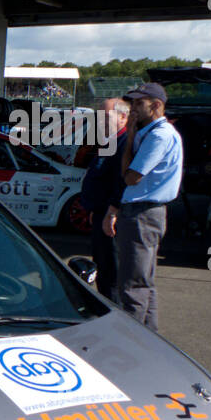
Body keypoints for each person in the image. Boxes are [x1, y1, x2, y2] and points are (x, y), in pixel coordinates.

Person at [104, 83, 183, 331]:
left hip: (142, 213)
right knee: (142, 282)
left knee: (133, 284)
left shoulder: (159, 135)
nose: (134, 109)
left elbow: (131, 176)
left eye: (140, 103)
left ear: (156, 105)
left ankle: (133, 338)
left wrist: (128, 138)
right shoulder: (154, 132)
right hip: (143, 212)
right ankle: (149, 337)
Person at [79, 98, 129, 301]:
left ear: (123, 117)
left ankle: (115, 315)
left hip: (111, 217)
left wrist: (111, 212)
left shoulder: (125, 145)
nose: (101, 121)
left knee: (112, 273)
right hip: (100, 213)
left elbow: (122, 182)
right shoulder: (109, 142)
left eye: (106, 117)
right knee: (102, 266)